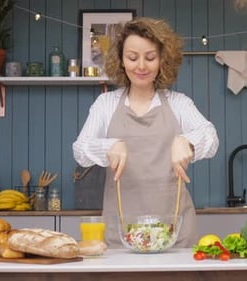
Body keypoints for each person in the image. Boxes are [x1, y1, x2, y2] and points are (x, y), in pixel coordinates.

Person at [72, 17, 219, 248]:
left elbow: (210, 137)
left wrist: (187, 142)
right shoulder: (105, 104)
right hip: (121, 234)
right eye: (132, 57)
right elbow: (80, 150)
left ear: (162, 61)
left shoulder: (179, 103)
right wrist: (109, 146)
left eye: (150, 57)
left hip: (175, 234)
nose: (141, 66)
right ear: (121, 60)